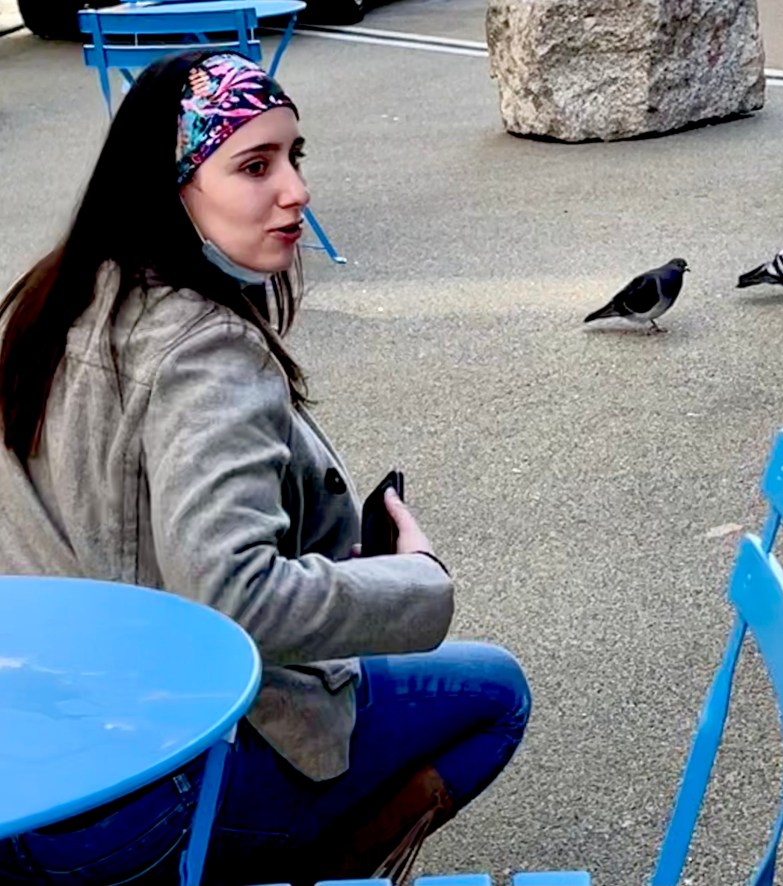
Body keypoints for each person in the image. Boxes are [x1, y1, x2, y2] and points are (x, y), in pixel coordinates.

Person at [0, 50, 531, 886]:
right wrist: (415, 580)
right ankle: (309, 866)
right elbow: (234, 594)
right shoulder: (204, 350)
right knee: (496, 693)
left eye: (294, 156)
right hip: (143, 786)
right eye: (255, 166)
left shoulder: (53, 298)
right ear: (171, 188)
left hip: (30, 767)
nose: (296, 190)